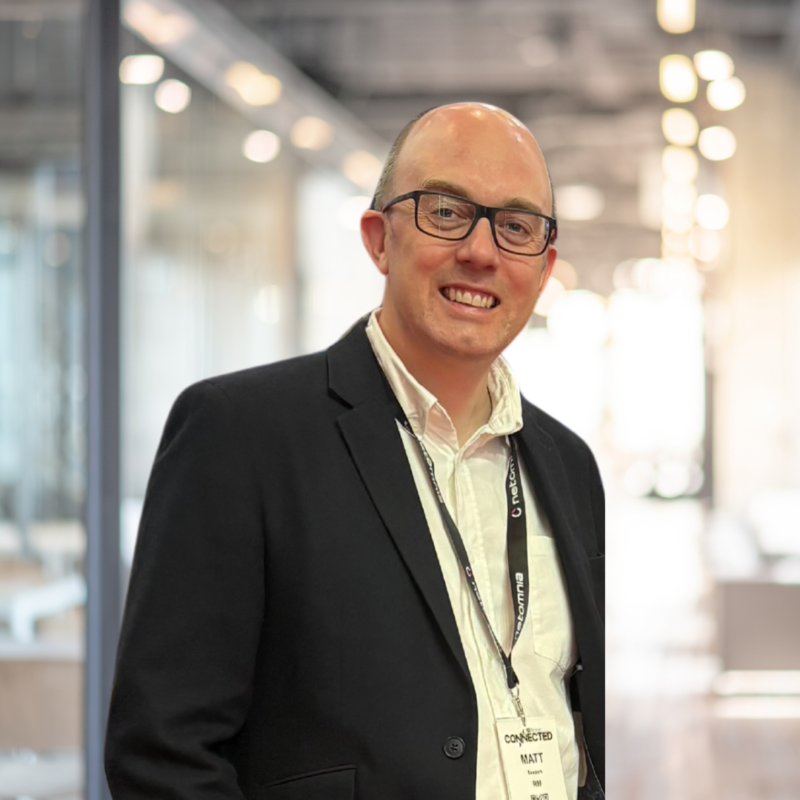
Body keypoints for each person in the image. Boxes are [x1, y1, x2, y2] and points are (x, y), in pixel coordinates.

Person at [105, 103, 605, 800]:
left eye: (516, 227)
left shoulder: (569, 467)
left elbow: (570, 723)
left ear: (544, 268)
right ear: (378, 239)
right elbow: (163, 756)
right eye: (447, 213)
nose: (482, 252)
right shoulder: (240, 436)